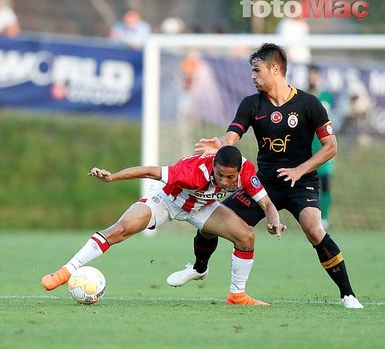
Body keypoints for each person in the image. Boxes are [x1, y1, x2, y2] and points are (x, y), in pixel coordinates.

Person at [167, 43, 364, 309]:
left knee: (315, 230)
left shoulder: (309, 103)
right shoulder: (251, 104)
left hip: (301, 182)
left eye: (257, 70)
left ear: (275, 69)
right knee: (211, 220)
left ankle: (347, 294)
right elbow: (233, 135)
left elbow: (331, 147)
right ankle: (200, 267)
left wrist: (299, 170)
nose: (252, 76)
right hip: (264, 183)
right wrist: (223, 146)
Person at [41, 145, 286, 306]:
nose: (224, 181)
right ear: (214, 166)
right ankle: (64, 272)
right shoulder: (192, 172)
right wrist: (113, 176)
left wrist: (274, 219)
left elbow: (265, 202)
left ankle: (237, 295)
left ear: (239, 171)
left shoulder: (246, 171)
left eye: (230, 177)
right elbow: (150, 171)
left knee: (246, 237)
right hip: (167, 200)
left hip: (203, 207)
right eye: (219, 174)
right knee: (121, 229)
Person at [308, 65, 335, 231]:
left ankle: (324, 218)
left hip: (324, 145)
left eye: (315, 75)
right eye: (310, 75)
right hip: (307, 147)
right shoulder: (301, 95)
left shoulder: (326, 97)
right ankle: (313, 218)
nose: (312, 78)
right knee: (310, 185)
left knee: (325, 183)